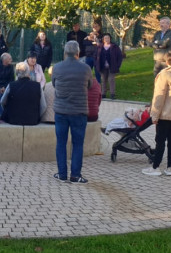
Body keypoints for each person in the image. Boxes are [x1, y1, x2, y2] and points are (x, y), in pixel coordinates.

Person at [52, 40, 94, 184]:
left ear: (65, 52)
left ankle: (62, 174)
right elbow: (90, 85)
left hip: (61, 111)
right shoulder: (86, 68)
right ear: (78, 52)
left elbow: (53, 84)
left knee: (61, 143)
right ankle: (76, 175)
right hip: (79, 110)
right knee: (78, 144)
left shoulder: (57, 67)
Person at [94, 33, 124, 99]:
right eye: (105, 38)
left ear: (110, 39)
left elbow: (120, 57)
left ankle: (112, 94)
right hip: (102, 66)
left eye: (108, 38)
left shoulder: (114, 47)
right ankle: (103, 94)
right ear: (103, 39)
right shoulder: (99, 47)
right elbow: (96, 56)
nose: (107, 39)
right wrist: (96, 64)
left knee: (111, 79)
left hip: (112, 66)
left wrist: (117, 65)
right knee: (104, 80)